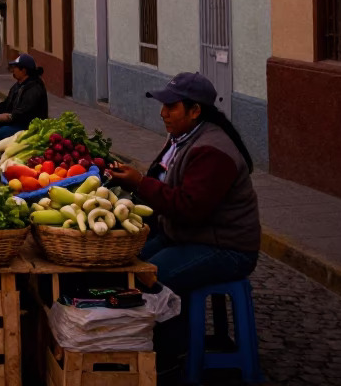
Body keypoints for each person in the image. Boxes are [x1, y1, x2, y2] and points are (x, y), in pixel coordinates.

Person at [104, 72, 261, 379]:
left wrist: (140, 183)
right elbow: (166, 188)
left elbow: (190, 208)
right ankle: (137, 347)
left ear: (194, 111)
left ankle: (170, 359)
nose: (163, 113)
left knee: (151, 278)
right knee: (127, 263)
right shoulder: (183, 138)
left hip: (225, 246)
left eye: (171, 107)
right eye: (163, 105)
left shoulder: (212, 151)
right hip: (185, 234)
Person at [0, 54, 48, 144]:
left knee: (3, 131)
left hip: (27, 126)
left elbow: (20, 114)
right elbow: (5, 105)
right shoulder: (18, 85)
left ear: (23, 70)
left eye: (15, 68)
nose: (13, 70)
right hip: (15, 122)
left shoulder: (35, 89)